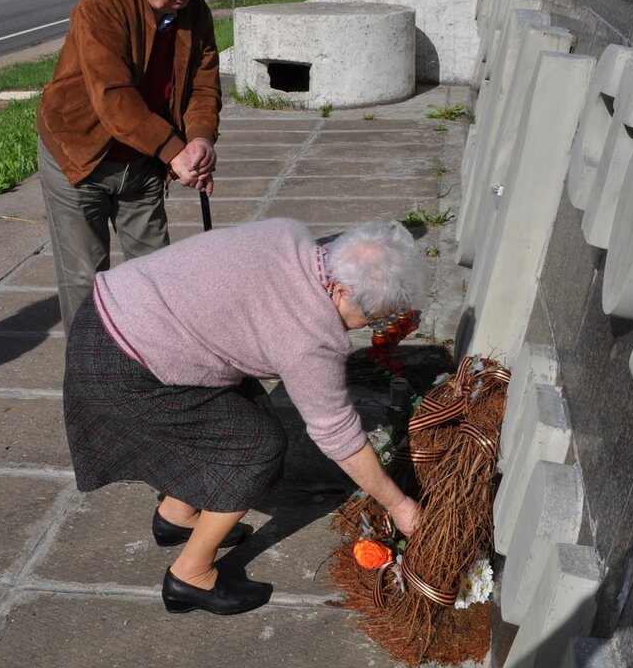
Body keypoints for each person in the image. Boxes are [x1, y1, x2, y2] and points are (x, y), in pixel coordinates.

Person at [62, 218, 426, 615]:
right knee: (256, 447)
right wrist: (400, 504)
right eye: (370, 316)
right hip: (121, 368)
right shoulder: (310, 336)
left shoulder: (290, 235)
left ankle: (177, 515)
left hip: (105, 312)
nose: (370, 326)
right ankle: (190, 576)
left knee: (239, 411)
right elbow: (336, 433)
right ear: (340, 290)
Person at [37, 0, 221, 330]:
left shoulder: (194, 12)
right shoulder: (104, 1)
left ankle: (155, 373)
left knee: (157, 276)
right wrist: (174, 152)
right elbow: (113, 97)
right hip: (80, 156)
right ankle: (90, 386)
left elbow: (204, 87)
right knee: (87, 282)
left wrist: (199, 140)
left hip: (141, 162)